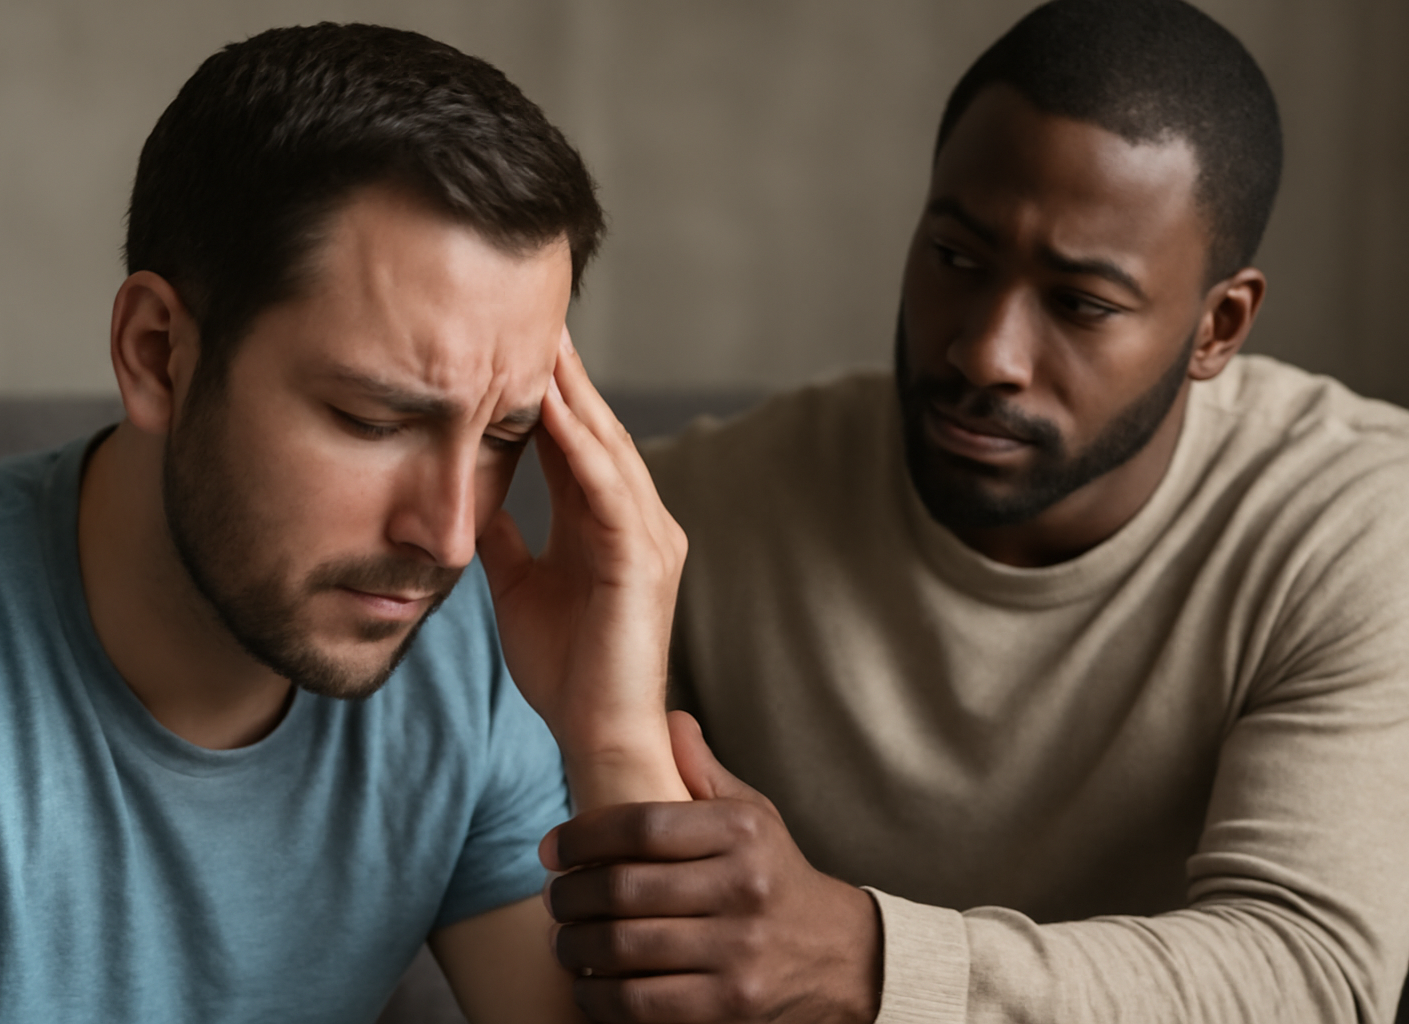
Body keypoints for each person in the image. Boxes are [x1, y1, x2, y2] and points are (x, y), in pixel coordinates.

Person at [539, 1, 1409, 1021]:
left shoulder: (1353, 525)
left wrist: (865, 956)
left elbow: (1313, 972)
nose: (987, 352)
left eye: (1081, 304)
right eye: (956, 258)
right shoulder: (688, 518)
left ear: (1218, 327)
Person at [0, 23, 690, 1024]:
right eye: (375, 420)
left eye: (503, 434)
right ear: (156, 352)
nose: (450, 538)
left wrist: (613, 737)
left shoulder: (457, 652)